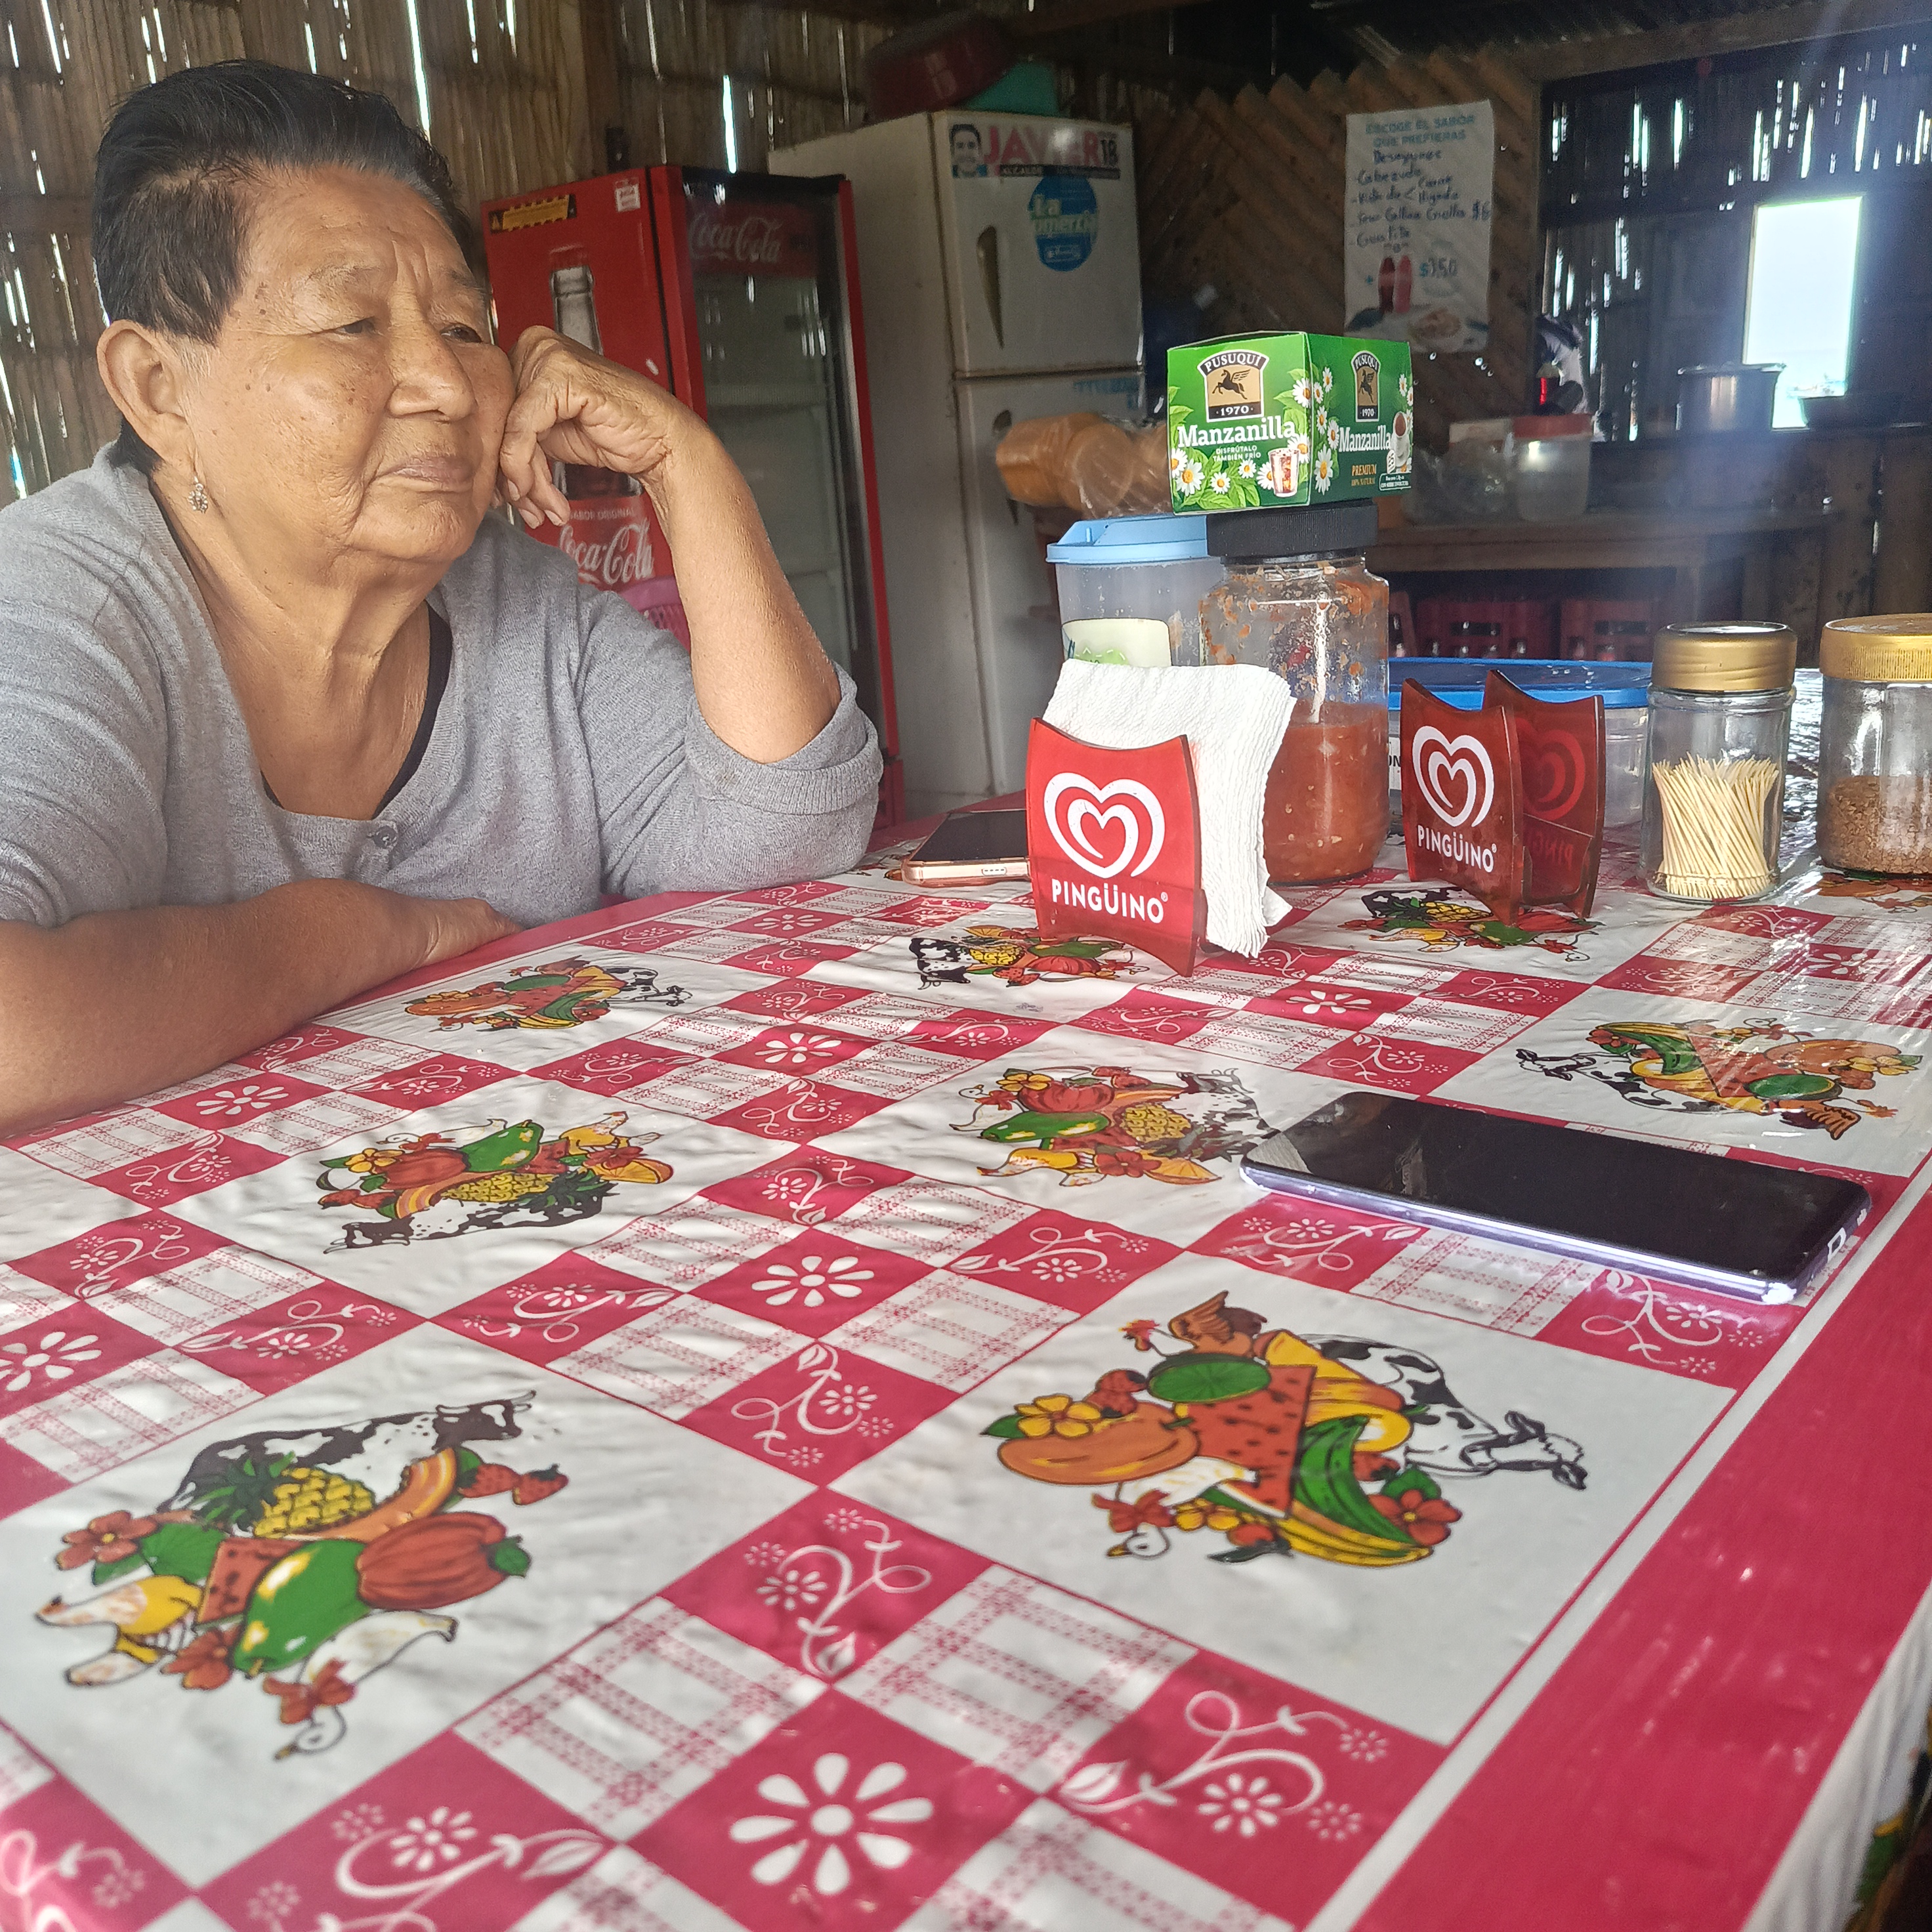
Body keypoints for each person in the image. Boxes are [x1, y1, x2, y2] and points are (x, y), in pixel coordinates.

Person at [0, 61, 881, 1136]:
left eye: (464, 329)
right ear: (158, 390)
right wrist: (357, 933)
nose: (447, 384)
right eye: (352, 326)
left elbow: (789, 835)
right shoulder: (58, 611)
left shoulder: (518, 605)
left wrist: (683, 464)